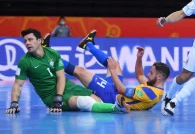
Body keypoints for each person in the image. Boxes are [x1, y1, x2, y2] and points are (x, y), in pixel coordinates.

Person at [5, 28, 129, 114]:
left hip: (70, 88)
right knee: (84, 100)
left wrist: (59, 97)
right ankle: (116, 108)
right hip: (50, 96)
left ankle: (88, 44)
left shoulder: (53, 54)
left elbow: (61, 77)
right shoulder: (25, 62)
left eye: (30, 39)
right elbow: (18, 85)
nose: (27, 43)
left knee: (98, 100)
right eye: (25, 41)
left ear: (38, 40)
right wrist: (14, 104)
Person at [42, 30, 170, 110]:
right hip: (116, 92)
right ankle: (88, 44)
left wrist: (113, 71)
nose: (148, 74)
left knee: (80, 71)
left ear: (159, 77)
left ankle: (47, 54)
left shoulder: (150, 93)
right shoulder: (155, 87)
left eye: (151, 73)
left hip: (111, 97)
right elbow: (140, 74)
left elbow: (121, 90)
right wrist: (139, 59)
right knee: (115, 63)